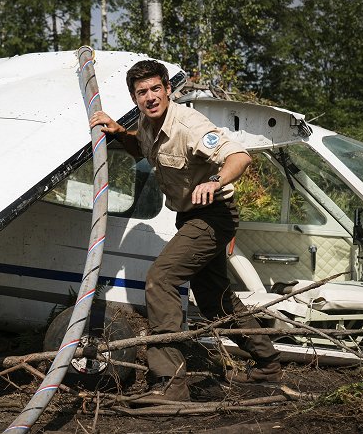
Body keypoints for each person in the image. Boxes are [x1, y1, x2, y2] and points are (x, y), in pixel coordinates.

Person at [89, 60, 281, 402]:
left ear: (167, 88)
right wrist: (119, 132)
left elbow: (239, 157)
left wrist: (215, 181)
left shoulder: (188, 124)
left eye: (155, 89)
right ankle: (268, 363)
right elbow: (143, 149)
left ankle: (170, 384)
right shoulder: (148, 125)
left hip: (213, 216)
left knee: (160, 280)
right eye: (141, 92)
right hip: (190, 218)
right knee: (214, 302)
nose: (150, 97)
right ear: (135, 98)